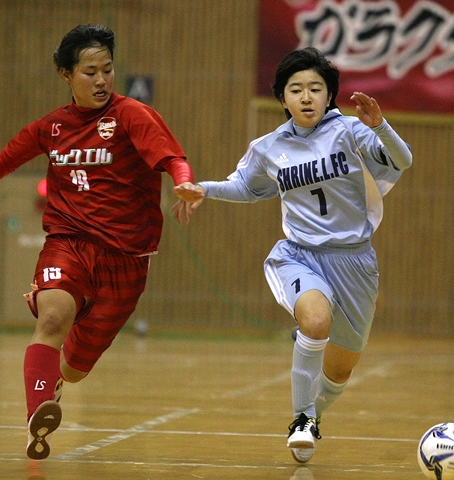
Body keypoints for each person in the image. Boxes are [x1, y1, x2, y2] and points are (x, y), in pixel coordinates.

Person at [0, 24, 196, 460]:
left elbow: (171, 157)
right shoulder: (52, 127)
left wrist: (185, 183)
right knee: (53, 318)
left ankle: (56, 380)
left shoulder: (132, 115)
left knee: (75, 370)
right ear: (66, 74)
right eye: (90, 72)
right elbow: (7, 158)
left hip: (126, 258)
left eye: (107, 70)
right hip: (68, 242)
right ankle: (36, 419)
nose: (101, 80)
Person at [173, 47, 412, 463]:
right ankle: (301, 419)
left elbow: (402, 160)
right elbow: (246, 187)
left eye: (315, 88)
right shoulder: (269, 147)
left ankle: (314, 414)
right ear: (282, 98)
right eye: (296, 89)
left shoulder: (351, 131)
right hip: (300, 255)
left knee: (340, 370)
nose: (306, 96)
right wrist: (204, 189)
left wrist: (381, 126)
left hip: (355, 262)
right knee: (316, 321)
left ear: (329, 95)